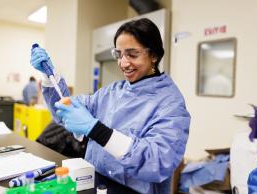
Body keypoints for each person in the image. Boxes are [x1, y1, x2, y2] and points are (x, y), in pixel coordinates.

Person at [30, 18, 190, 194]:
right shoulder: (113, 91)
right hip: (94, 183)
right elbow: (66, 110)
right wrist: (49, 77)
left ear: (154, 55)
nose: (123, 63)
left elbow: (159, 161)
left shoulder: (170, 104)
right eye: (119, 54)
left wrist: (96, 130)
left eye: (132, 54)